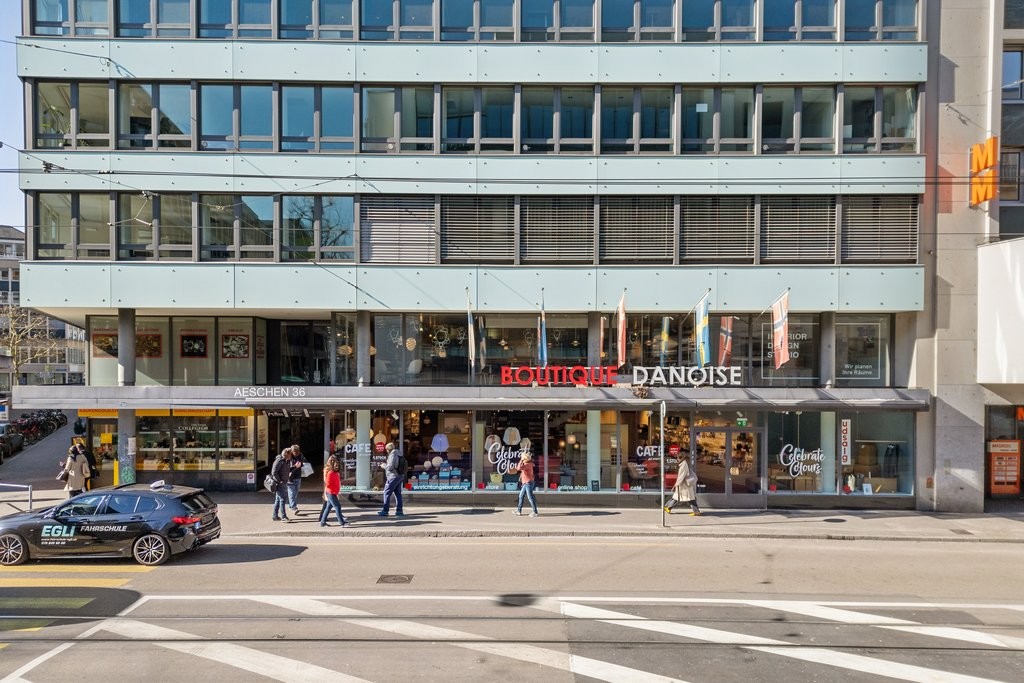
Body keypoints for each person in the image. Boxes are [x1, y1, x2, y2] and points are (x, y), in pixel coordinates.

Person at [319, 454, 348, 527]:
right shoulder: (330, 472)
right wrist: (334, 488)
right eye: (335, 465)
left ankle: (322, 522)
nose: (337, 466)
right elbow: (328, 483)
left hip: (333, 492)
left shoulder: (335, 472)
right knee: (337, 506)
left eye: (337, 465)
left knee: (328, 507)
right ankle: (342, 523)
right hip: (331, 493)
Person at [377, 442, 405, 517]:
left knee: (386, 493)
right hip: (399, 476)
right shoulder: (399, 454)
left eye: (386, 450)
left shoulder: (392, 455)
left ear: (388, 449)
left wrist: (383, 466)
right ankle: (399, 511)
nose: (386, 451)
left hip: (393, 476)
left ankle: (385, 511)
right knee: (398, 494)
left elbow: (390, 467)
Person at [512, 451, 539, 517]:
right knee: (521, 496)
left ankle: (535, 512)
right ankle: (519, 511)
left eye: (522, 457)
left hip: (528, 483)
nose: (521, 458)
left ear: (525, 458)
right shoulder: (527, 464)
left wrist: (521, 460)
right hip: (525, 483)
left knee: (530, 498)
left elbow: (518, 468)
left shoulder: (527, 464)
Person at [271, 447, 293, 521]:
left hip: (283, 482)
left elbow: (287, 470)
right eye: (290, 454)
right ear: (287, 454)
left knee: (278, 499)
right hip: (280, 483)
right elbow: (273, 472)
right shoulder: (279, 460)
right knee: (283, 499)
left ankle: (275, 516)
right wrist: (279, 481)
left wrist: (295, 467)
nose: (291, 456)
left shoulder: (286, 461)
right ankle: (284, 517)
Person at [286, 444, 306, 516]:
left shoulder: (300, 455)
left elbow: (304, 462)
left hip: (298, 476)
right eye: (294, 452)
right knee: (291, 493)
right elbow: (287, 467)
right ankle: (294, 507)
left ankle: (291, 505)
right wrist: (295, 466)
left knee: (295, 493)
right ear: (292, 451)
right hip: (290, 478)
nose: (296, 453)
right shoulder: (289, 456)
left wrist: (301, 463)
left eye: (297, 451)